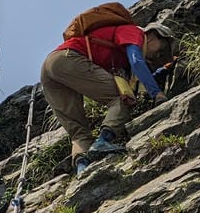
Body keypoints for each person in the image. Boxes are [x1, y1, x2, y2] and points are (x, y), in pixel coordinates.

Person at [41, 18, 175, 175]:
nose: (157, 55)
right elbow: (137, 62)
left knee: (79, 132)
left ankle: (82, 170)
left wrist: (161, 72)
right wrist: (157, 94)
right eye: (161, 49)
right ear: (152, 36)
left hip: (51, 68)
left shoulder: (122, 54)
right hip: (69, 58)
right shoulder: (136, 33)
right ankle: (103, 142)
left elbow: (136, 79)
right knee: (123, 98)